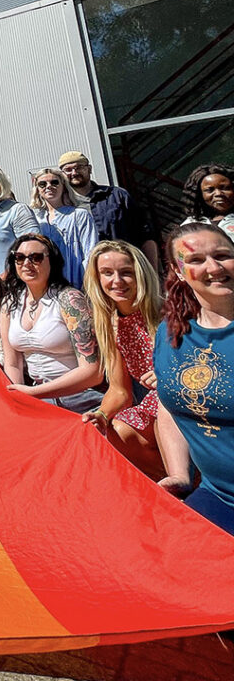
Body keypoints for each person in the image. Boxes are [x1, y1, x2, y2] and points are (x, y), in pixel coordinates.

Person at [153, 222, 234, 531]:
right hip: (216, 497)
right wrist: (180, 475)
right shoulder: (171, 333)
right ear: (179, 271)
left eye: (223, 255)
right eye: (197, 260)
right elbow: (169, 403)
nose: (213, 267)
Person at [81, 239, 183, 482]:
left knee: (159, 414)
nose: (116, 281)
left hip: (181, 398)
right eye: (107, 273)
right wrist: (102, 415)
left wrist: (167, 373)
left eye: (126, 273)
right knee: (116, 429)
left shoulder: (168, 312)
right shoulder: (110, 324)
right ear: (97, 278)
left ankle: (184, 484)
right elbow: (119, 390)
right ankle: (168, 486)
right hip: (152, 404)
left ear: (140, 275)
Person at [0, 233, 102, 413]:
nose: (26, 263)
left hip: (79, 397)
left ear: (52, 261)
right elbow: (13, 363)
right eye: (19, 257)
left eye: (36, 258)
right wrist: (20, 398)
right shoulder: (9, 303)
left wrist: (33, 393)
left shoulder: (70, 300)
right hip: (36, 398)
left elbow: (93, 373)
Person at [58, 151, 157, 269]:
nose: (74, 173)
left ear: (89, 169)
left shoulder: (117, 196)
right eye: (68, 170)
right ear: (62, 175)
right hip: (85, 276)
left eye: (79, 167)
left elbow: (145, 236)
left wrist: (152, 272)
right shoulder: (61, 206)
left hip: (124, 269)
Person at [29, 167, 98, 287]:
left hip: (77, 284)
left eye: (54, 182)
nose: (49, 186)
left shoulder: (79, 215)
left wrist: (88, 285)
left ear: (64, 186)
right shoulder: (35, 219)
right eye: (42, 184)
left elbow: (91, 253)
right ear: (38, 189)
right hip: (46, 288)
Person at [181, 164, 234, 242]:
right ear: (199, 195)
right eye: (210, 190)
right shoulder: (190, 226)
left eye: (225, 188)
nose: (218, 193)